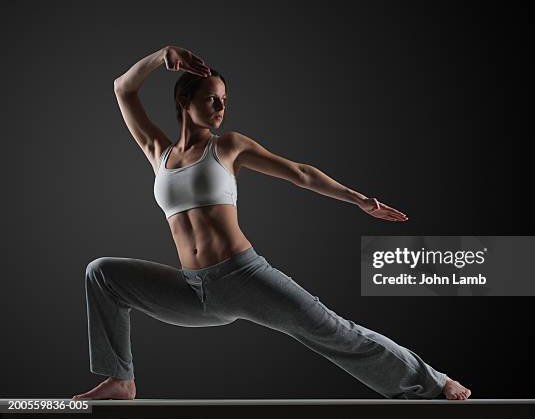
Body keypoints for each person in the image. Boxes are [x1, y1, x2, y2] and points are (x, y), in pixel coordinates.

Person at [71, 45, 471, 401]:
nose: (220, 108)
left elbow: (301, 172)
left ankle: (431, 383)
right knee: (102, 273)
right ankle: (120, 380)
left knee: (332, 331)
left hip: (243, 277)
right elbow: (123, 88)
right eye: (212, 99)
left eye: (224, 100)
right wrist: (163, 56)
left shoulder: (227, 147)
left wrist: (360, 200)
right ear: (184, 100)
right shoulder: (158, 152)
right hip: (194, 292)